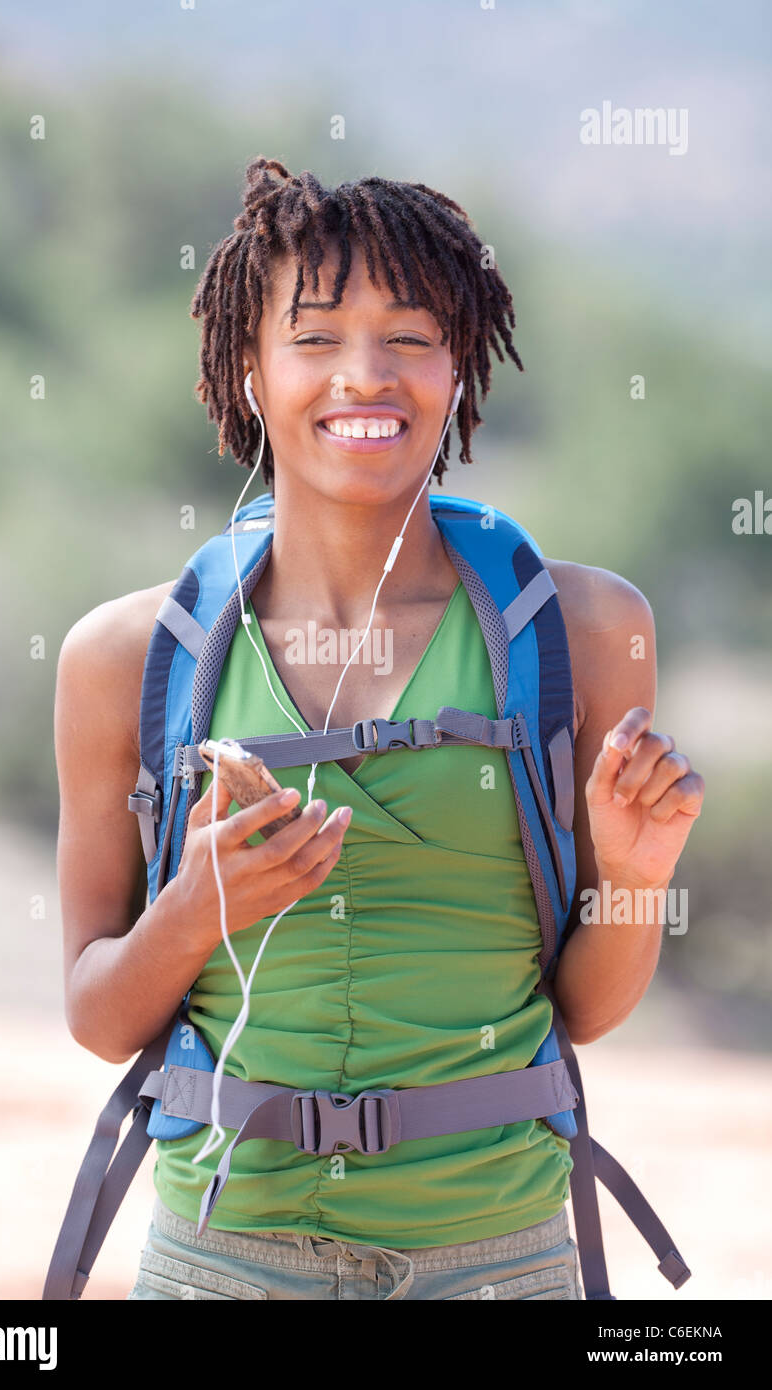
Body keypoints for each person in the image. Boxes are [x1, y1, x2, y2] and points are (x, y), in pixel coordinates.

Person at [54, 157, 705, 1300]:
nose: (365, 375)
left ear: (459, 369)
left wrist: (639, 874)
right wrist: (196, 908)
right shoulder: (120, 657)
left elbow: (583, 1011)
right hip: (220, 1260)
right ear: (248, 371)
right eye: (312, 338)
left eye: (409, 337)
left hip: (499, 1261)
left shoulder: (587, 630)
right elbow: (100, 1016)